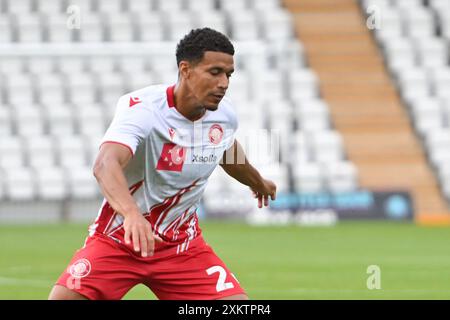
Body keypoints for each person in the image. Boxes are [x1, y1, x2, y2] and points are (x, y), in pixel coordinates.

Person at [49, 28, 277, 300]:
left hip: (182, 246)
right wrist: (132, 215)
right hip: (120, 239)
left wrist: (257, 182)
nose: (224, 83)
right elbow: (105, 163)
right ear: (186, 69)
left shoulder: (224, 115)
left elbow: (226, 149)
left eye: (228, 74)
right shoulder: (143, 108)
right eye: (215, 72)